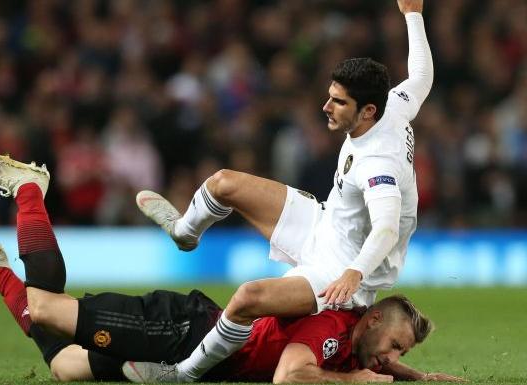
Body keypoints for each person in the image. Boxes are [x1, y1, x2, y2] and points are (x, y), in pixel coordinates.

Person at [0, 151, 464, 383]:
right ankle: (27, 196)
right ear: (369, 319)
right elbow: (293, 375)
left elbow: (376, 361)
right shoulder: (331, 327)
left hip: (199, 340)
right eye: (395, 346)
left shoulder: (358, 350)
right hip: (183, 332)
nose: (390, 359)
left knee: (63, 366)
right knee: (42, 308)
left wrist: (418, 374)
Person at [128, 0, 434, 381]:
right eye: (330, 95)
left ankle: (182, 374)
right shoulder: (393, 106)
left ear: (368, 111)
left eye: (339, 102)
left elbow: (386, 227)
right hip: (325, 224)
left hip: (341, 268)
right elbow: (421, 77)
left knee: (247, 299)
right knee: (223, 183)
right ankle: (184, 233)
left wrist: (354, 273)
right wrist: (413, 14)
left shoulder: (378, 164)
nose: (326, 106)